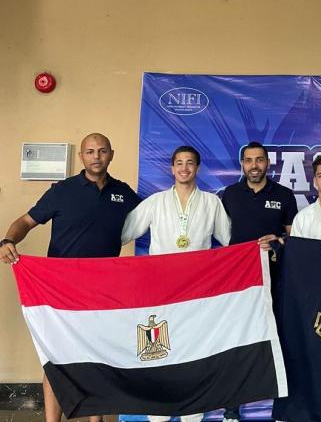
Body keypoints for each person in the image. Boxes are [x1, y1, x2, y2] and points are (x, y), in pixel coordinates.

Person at [0, 132, 141, 422]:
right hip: (59, 288)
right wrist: (7, 241)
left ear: (111, 154)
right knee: (56, 359)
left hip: (103, 289)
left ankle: (96, 419)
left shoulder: (123, 193)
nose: (96, 157)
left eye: (102, 151)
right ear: (82, 157)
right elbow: (25, 222)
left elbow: (155, 217)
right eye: (90, 152)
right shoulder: (62, 191)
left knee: (98, 357)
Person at [120, 145, 231, 422]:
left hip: (197, 289)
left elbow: (231, 242)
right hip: (160, 289)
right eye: (179, 163)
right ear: (171, 168)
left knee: (194, 349)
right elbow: (123, 233)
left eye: (190, 163)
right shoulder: (156, 202)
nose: (184, 167)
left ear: (198, 168)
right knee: (158, 349)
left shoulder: (211, 202)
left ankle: (192, 411)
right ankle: (159, 410)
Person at [220, 141, 298, 422]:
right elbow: (219, 235)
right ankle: (231, 409)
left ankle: (282, 410)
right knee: (237, 343)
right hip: (238, 284)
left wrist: (278, 241)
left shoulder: (284, 195)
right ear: (242, 164)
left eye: (259, 160)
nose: (254, 165)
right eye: (249, 160)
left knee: (278, 342)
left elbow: (295, 238)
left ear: (268, 163)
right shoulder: (228, 195)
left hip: (275, 281)